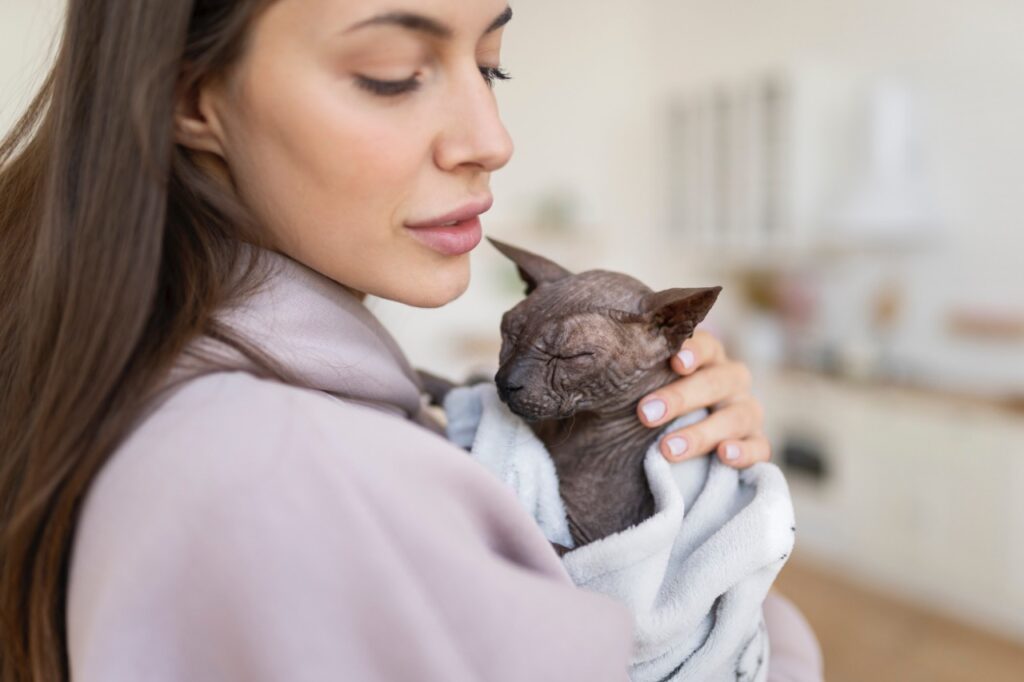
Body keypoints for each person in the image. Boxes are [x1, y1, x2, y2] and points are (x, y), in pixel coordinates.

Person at [0, 1, 822, 680]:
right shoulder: (284, 471)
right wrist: (755, 609)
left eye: (491, 64)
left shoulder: (184, 387)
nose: (492, 140)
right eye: (391, 76)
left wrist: (672, 469)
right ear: (193, 100)